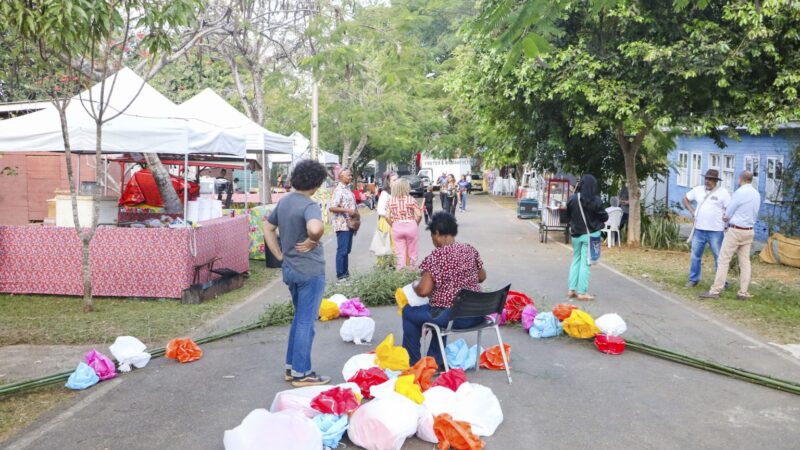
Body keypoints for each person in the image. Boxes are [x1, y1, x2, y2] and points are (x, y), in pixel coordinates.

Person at [263, 159, 330, 387]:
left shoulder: (285, 201)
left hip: (290, 269)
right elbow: (315, 227)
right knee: (305, 322)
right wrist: (313, 239)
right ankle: (303, 373)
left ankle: (292, 368)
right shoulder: (309, 205)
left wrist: (279, 254)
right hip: (309, 271)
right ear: (316, 183)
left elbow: (268, 227)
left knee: (299, 319)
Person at [402, 212, 486, 366]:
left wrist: (414, 286)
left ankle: (411, 362)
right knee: (439, 309)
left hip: (453, 318)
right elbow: (481, 277)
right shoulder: (469, 249)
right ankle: (435, 361)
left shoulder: (438, 256)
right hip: (476, 314)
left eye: (432, 236)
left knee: (409, 312)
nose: (433, 240)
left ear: (438, 234)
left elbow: (424, 290)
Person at [701, 171, 761, 300]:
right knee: (745, 262)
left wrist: (725, 218)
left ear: (741, 179)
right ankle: (743, 292)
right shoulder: (756, 194)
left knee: (723, 260)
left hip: (735, 231)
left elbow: (728, 213)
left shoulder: (739, 192)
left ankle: (715, 290)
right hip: (749, 230)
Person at [683, 169, 731, 288]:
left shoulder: (723, 193)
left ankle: (721, 282)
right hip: (699, 229)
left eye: (710, 179)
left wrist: (726, 222)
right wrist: (692, 211)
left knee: (718, 257)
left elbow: (729, 209)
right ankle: (693, 279)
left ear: (715, 181)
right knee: (695, 256)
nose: (707, 181)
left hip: (716, 230)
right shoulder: (698, 190)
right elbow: (685, 199)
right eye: (706, 178)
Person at [566, 174, 609, 301]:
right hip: (590, 236)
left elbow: (568, 217)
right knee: (586, 263)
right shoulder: (596, 201)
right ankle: (582, 292)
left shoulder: (572, 199)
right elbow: (604, 217)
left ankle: (571, 289)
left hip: (575, 236)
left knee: (575, 260)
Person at [387, 178, 423, 269]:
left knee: (399, 253)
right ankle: (412, 271)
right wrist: (416, 224)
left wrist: (393, 224)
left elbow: (387, 216)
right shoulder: (411, 199)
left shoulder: (390, 200)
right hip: (411, 225)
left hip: (397, 226)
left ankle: (401, 274)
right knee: (412, 251)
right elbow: (419, 214)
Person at [329, 169, 358, 282]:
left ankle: (346, 274)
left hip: (349, 224)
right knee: (342, 250)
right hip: (342, 224)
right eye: (348, 175)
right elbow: (332, 207)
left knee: (346, 250)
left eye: (351, 175)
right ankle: (341, 275)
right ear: (341, 177)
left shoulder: (348, 189)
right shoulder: (338, 190)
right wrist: (348, 210)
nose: (350, 177)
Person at [375, 172, 398, 265]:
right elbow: (380, 210)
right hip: (386, 222)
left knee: (395, 246)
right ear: (388, 182)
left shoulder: (396, 192)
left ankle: (393, 265)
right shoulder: (385, 194)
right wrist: (392, 214)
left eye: (397, 180)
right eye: (394, 180)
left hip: (394, 222)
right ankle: (386, 266)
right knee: (386, 246)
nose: (397, 182)